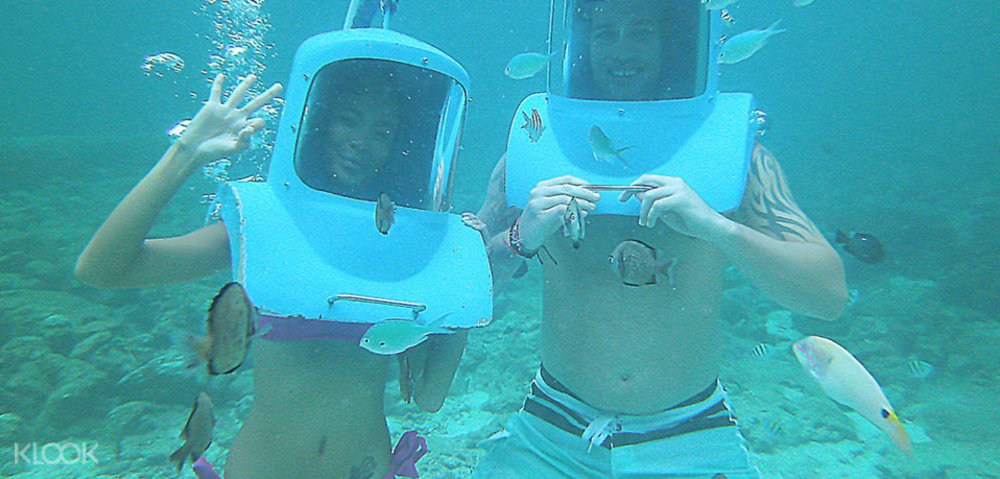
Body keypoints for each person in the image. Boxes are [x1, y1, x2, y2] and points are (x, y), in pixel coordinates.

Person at [76, 26, 491, 479]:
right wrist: (186, 153)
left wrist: (465, 273)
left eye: (382, 130)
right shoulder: (266, 227)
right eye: (348, 119)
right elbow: (103, 269)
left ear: (399, 144)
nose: (360, 139)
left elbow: (429, 397)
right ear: (318, 119)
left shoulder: (409, 243)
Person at [471, 1, 848, 478]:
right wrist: (518, 237)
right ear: (581, 41)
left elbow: (828, 296)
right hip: (550, 431)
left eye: (642, 31)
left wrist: (719, 228)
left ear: (671, 40)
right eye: (605, 32)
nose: (621, 49)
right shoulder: (535, 145)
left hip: (691, 438)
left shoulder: (736, 155)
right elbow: (461, 298)